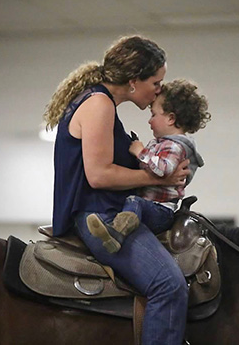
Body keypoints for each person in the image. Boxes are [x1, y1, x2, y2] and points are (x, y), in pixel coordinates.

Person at [43, 35, 190, 345]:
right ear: (134, 81)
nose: (159, 90)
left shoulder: (102, 103)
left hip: (108, 210)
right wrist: (158, 180)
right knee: (169, 284)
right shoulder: (99, 104)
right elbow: (99, 176)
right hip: (101, 215)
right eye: (156, 81)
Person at [86, 79, 211, 253]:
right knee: (134, 202)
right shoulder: (162, 144)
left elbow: (162, 170)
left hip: (161, 211)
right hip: (151, 207)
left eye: (153, 115)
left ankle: (116, 234)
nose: (149, 121)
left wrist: (140, 152)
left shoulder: (175, 146)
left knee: (134, 202)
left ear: (171, 118)